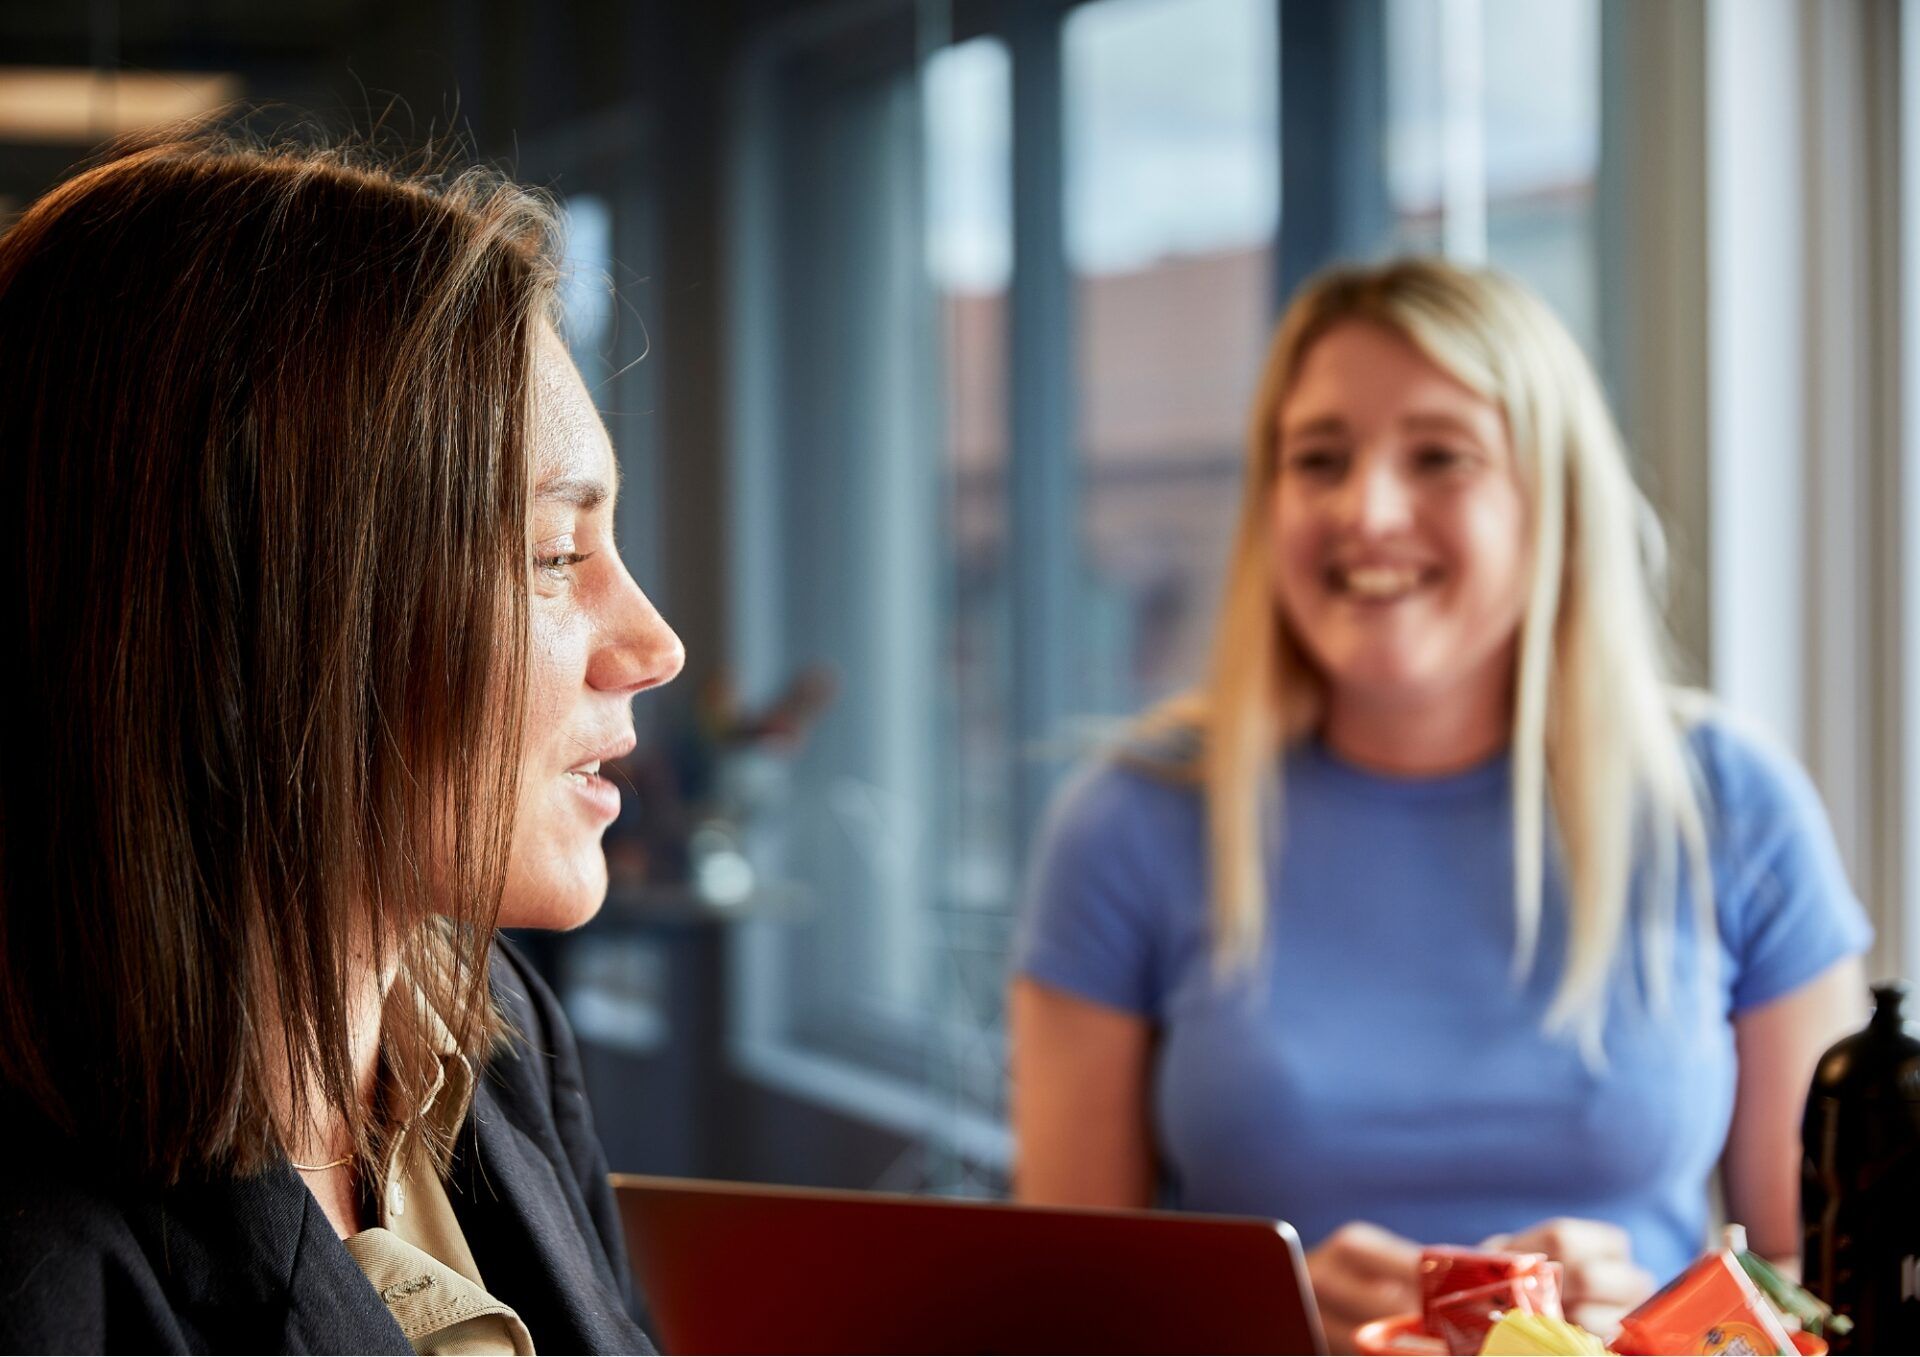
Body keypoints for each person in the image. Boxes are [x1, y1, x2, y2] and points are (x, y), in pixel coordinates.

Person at [1010, 259, 1872, 1352]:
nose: (1367, 510)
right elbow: (1061, 1305)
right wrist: (1259, 1319)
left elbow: (1831, 1281)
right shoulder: (1130, 821)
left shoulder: (1727, 801)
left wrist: (1669, 1325)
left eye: (1439, 457)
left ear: (1550, 497)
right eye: (1318, 459)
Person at [0, 131, 684, 1353]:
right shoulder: (37, 1276)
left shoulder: (489, 1032)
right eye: (552, 555)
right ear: (251, 615)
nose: (652, 644)